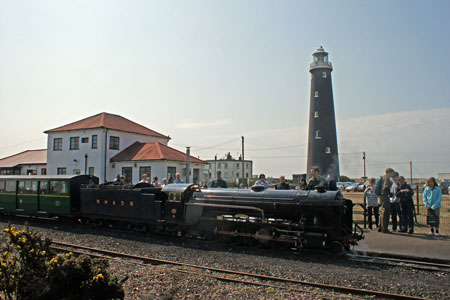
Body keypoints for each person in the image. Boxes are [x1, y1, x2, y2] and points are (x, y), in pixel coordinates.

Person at [375, 167, 395, 233]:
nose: (392, 174)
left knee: (381, 212)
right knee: (386, 212)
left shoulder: (382, 177)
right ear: (389, 172)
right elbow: (386, 187)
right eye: (392, 173)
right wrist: (390, 193)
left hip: (380, 196)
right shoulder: (387, 178)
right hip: (385, 196)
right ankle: (385, 228)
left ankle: (380, 226)